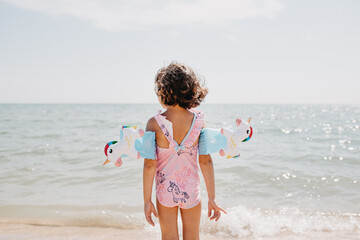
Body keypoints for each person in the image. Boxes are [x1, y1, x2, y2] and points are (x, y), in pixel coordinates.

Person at [143, 62, 226, 240]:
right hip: (191, 190)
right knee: (193, 237)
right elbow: (206, 161)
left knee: (169, 237)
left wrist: (147, 200)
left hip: (166, 190)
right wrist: (212, 198)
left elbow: (149, 164)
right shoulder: (198, 122)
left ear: (164, 91)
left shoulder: (153, 123)